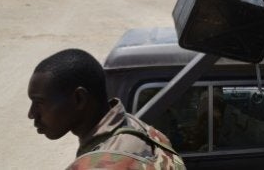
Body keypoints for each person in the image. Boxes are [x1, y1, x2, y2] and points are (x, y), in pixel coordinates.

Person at [27, 48, 185, 169]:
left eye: (39, 103)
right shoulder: (144, 131)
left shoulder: (95, 165)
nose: (32, 114)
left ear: (79, 99)